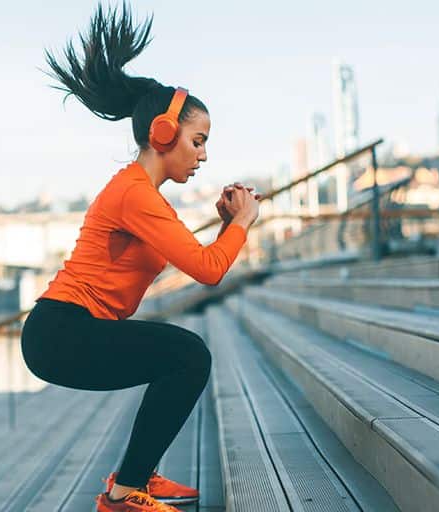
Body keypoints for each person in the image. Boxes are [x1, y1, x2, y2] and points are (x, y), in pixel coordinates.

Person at [20, 5, 260, 512]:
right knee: (187, 355)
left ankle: (135, 479)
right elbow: (210, 271)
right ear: (163, 134)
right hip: (60, 332)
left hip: (69, 329)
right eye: (197, 141)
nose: (203, 155)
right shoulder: (135, 194)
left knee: (177, 357)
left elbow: (198, 257)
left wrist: (224, 226)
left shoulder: (143, 196)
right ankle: (126, 493)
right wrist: (241, 224)